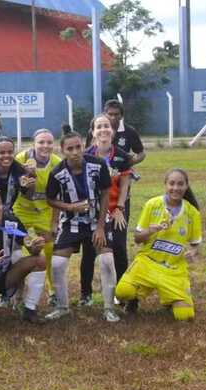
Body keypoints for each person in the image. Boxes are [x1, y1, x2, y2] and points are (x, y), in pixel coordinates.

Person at [45, 125, 119, 322]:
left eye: (78, 147)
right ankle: (62, 306)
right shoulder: (56, 173)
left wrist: (102, 226)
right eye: (70, 149)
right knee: (58, 263)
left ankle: (109, 308)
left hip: (98, 220)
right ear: (62, 151)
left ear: (83, 146)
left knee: (106, 261)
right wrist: (70, 208)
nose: (75, 152)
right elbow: (50, 199)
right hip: (72, 222)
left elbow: (105, 193)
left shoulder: (98, 164)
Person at [115, 169, 201, 321]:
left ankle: (171, 299)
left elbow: (195, 244)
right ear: (165, 185)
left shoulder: (192, 212)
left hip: (173, 269)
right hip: (148, 263)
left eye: (180, 184)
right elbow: (137, 238)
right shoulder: (152, 205)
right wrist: (150, 230)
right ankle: (133, 299)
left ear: (186, 186)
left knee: (185, 316)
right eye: (172, 183)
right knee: (123, 292)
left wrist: (193, 252)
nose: (175, 188)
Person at [0, 187, 47, 322]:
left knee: (40, 260)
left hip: (6, 276)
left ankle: (30, 309)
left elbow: (30, 248)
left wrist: (36, 246)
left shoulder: (12, 222)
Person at [79, 115, 133, 306]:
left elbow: (125, 185)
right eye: (99, 126)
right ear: (93, 132)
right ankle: (85, 294)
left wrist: (119, 208)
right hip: (93, 210)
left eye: (107, 126)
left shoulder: (122, 156)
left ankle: (121, 291)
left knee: (118, 248)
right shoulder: (85, 155)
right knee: (89, 251)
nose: (103, 129)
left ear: (112, 130)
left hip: (116, 208)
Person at [13, 129, 61, 307]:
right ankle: (15, 291)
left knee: (48, 249)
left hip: (44, 211)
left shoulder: (57, 163)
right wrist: (27, 176)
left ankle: (52, 291)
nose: (45, 146)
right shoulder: (21, 158)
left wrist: (55, 221)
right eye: (41, 142)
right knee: (15, 249)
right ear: (33, 143)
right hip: (21, 209)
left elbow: (59, 196)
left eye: (49, 142)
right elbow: (16, 186)